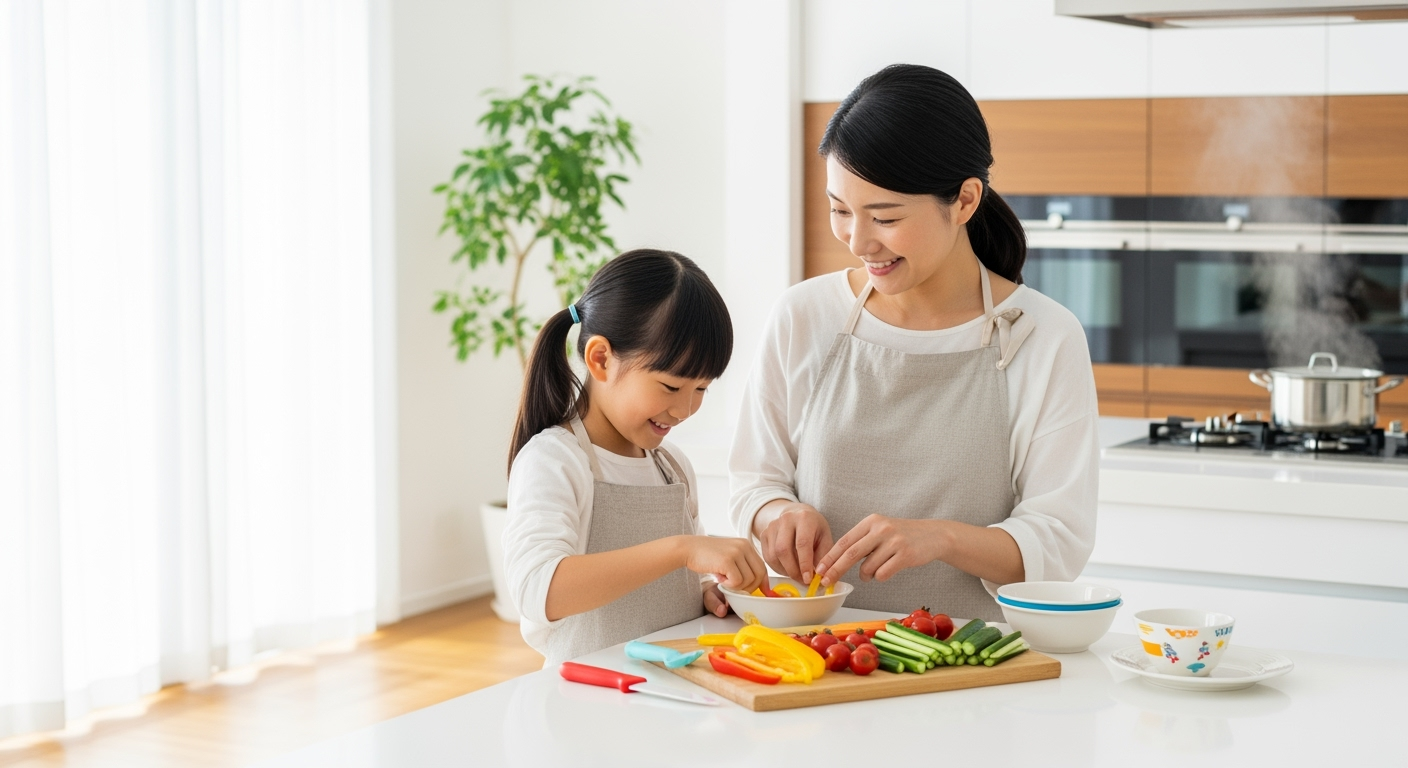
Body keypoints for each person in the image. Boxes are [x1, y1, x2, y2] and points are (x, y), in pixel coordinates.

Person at [729, 64, 1099, 621]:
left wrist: (943, 539)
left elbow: (1059, 540)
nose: (858, 241)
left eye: (885, 217)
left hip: (970, 670)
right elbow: (753, 481)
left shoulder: (1043, 336)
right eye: (839, 210)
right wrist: (775, 514)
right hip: (818, 661)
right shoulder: (803, 316)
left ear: (965, 201)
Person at [505, 248, 766, 665]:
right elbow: (540, 590)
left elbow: (677, 582)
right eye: (669, 387)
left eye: (701, 389)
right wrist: (682, 549)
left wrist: (706, 591)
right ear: (601, 359)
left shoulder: (672, 467)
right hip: (586, 704)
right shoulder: (555, 460)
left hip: (670, 698)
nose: (684, 410)